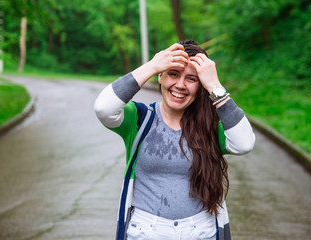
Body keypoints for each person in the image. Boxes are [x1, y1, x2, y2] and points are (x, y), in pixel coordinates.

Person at [94, 40, 255, 240]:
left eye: (191, 79)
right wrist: (152, 66)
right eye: (173, 74)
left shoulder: (210, 127)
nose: (180, 85)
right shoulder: (139, 119)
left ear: (200, 86)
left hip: (201, 232)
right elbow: (103, 108)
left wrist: (214, 85)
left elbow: (245, 143)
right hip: (146, 232)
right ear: (160, 76)